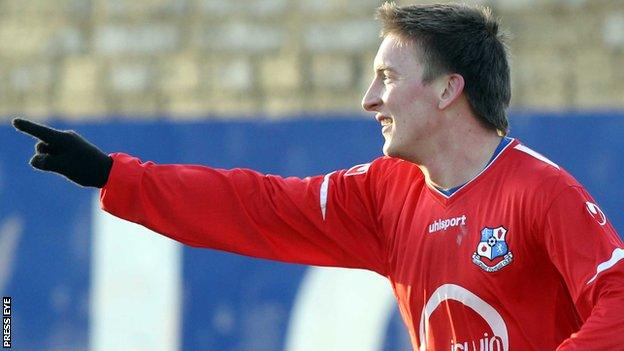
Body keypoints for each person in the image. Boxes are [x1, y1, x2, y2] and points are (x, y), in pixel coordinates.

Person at [13, 3, 624, 350]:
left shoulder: (541, 191)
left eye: (386, 77)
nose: (368, 99)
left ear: (447, 89)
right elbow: (254, 206)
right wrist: (113, 175)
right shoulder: (387, 194)